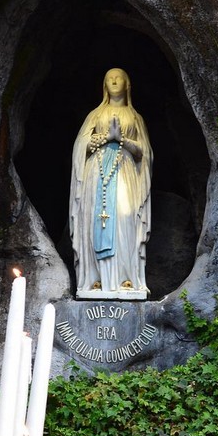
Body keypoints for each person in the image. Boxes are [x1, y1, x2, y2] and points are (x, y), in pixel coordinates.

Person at [69, 68, 152, 297]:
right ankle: (96, 281)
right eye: (110, 78)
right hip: (96, 175)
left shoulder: (135, 118)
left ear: (127, 84)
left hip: (124, 172)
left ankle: (126, 279)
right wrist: (106, 138)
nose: (115, 81)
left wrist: (122, 140)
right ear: (104, 86)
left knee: (125, 218)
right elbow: (80, 147)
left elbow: (144, 153)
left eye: (119, 78)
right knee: (95, 220)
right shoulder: (95, 115)